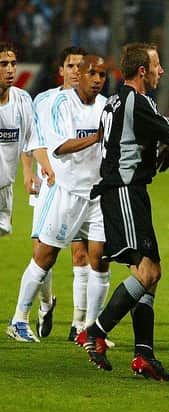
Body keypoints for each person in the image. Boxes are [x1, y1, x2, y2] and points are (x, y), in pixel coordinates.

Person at [77, 43, 169, 381]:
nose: (162, 71)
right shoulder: (135, 100)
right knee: (145, 274)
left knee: (153, 274)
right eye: (157, 65)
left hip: (131, 191)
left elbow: (151, 142)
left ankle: (144, 355)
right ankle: (95, 331)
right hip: (123, 192)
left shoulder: (118, 101)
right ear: (142, 71)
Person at [8, 54, 110, 346]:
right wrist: (98, 137)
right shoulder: (59, 104)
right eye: (92, 73)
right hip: (65, 192)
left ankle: (91, 329)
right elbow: (59, 147)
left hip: (97, 194)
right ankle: (19, 318)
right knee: (45, 256)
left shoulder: (106, 107)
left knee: (100, 259)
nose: (97, 80)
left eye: (102, 75)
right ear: (79, 73)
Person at [23, 46, 93, 342]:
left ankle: (79, 323)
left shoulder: (94, 104)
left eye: (82, 65)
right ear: (61, 70)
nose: (77, 70)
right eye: (71, 65)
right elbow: (32, 137)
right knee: (42, 252)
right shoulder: (44, 100)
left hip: (78, 189)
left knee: (80, 253)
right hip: (47, 187)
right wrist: (29, 173)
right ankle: (45, 302)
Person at [0, 42, 33, 239]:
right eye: (3, 64)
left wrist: (29, 171)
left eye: (13, 63)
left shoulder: (22, 100)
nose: (11, 69)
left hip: (5, 190)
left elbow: (32, 139)